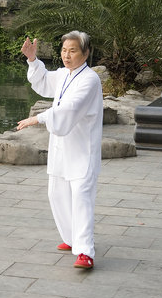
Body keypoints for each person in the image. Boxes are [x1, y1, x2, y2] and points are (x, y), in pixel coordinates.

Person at [17, 31, 103, 269]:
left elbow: (71, 108)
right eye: (64, 50)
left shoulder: (89, 79)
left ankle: (85, 252)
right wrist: (33, 60)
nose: (67, 55)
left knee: (81, 199)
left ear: (85, 53)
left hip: (82, 149)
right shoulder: (65, 74)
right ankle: (70, 238)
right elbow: (44, 82)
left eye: (73, 50)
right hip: (61, 148)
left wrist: (39, 118)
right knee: (57, 194)